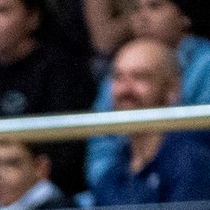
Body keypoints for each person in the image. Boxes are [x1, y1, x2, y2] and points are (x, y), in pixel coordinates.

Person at [32, 39, 210, 210]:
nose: (125, 89)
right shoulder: (118, 165)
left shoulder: (190, 159)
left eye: (140, 77)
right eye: (117, 77)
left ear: (172, 90)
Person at [0, 0, 96, 190]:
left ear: (32, 19)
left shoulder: (65, 73)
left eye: (2, 10)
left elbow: (67, 157)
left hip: (46, 201)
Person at [87, 0, 210, 187]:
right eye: (136, 9)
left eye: (155, 6)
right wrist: (112, 188)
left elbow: (202, 142)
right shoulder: (123, 63)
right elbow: (101, 146)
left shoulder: (206, 63)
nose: (143, 17)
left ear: (184, 16)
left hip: (190, 182)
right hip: (124, 186)